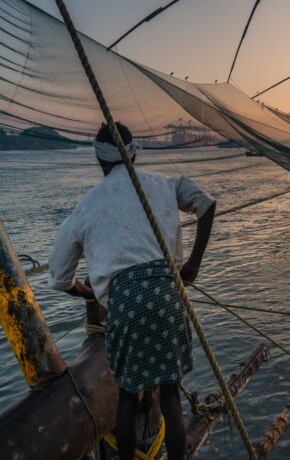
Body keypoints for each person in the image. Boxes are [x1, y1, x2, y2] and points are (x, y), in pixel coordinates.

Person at [48, 122, 216, 460]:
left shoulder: (85, 207)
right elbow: (207, 204)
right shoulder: (162, 184)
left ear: (101, 161)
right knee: (169, 394)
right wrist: (193, 264)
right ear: (134, 154)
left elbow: (58, 279)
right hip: (167, 293)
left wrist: (87, 292)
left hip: (124, 301)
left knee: (128, 395)